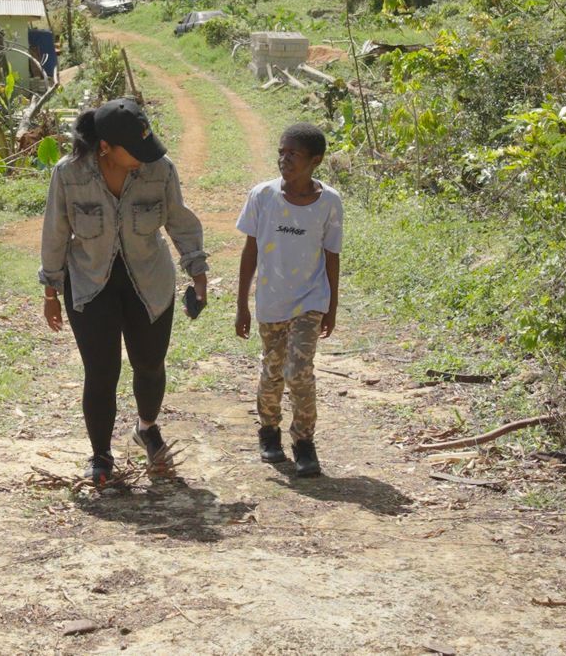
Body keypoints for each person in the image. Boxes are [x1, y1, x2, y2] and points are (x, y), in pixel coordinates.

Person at [40, 98, 209, 485]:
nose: (144, 157)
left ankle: (146, 427)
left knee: (150, 365)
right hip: (89, 284)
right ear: (105, 148)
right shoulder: (68, 175)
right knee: (101, 373)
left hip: (149, 283)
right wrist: (51, 291)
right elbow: (55, 233)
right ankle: (100, 454)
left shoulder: (159, 170)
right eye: (135, 150)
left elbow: (180, 221)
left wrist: (197, 271)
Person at [234, 122, 343, 478]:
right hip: (271, 300)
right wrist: (241, 304)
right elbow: (249, 251)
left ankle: (304, 442)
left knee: (299, 371)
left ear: (315, 161)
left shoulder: (329, 202)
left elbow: (331, 255)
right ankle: (269, 431)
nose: (285, 159)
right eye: (282, 152)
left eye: (293, 154)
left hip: (310, 299)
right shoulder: (262, 196)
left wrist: (332, 305)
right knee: (273, 369)